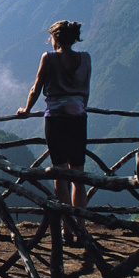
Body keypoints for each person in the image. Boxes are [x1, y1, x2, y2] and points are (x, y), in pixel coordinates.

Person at [18, 20, 91, 218]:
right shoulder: (85, 58)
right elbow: (86, 92)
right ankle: (81, 227)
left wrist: (26, 109)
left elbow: (36, 88)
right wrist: (79, 107)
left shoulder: (48, 58)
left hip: (56, 120)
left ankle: (67, 227)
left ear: (55, 37)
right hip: (78, 118)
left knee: (60, 174)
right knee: (79, 176)